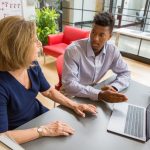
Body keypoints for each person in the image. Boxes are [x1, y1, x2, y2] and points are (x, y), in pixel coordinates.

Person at [0, 16, 97, 144]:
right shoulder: (2, 85)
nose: (40, 43)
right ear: (19, 48)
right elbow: (2, 137)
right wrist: (43, 130)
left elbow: (49, 91)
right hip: (20, 132)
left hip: (40, 117)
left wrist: (75, 105)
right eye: (34, 41)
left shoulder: (31, 65)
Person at [62, 12, 130, 102]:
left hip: (95, 92)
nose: (95, 38)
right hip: (72, 96)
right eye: (93, 32)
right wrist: (99, 94)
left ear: (109, 36)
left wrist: (114, 87)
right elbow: (69, 85)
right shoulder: (73, 51)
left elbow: (125, 72)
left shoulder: (112, 50)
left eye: (101, 35)